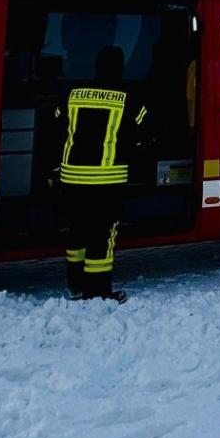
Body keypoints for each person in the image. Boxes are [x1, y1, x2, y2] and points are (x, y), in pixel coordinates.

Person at [58, 45, 146, 301]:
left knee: (77, 233)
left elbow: (57, 125)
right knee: (102, 236)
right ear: (120, 67)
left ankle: (75, 285)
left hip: (71, 177)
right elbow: (143, 130)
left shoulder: (73, 94)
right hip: (106, 179)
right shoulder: (127, 98)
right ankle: (97, 291)